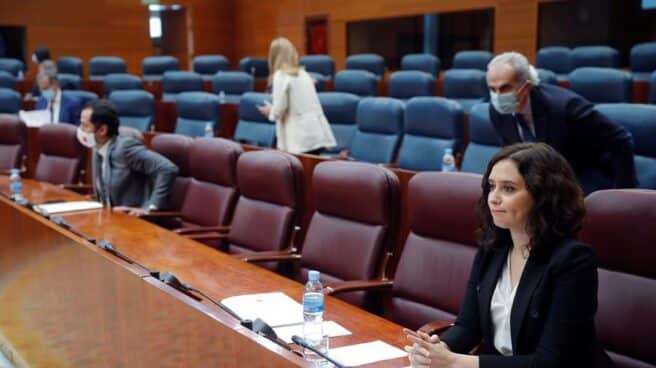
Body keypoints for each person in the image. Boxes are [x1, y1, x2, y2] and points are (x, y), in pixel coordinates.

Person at [405, 143, 613, 368]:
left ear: (543, 195)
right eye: (492, 186)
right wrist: (437, 351)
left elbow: (549, 362)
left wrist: (455, 362)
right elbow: (468, 327)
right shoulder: (492, 248)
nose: (493, 198)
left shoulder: (572, 260)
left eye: (509, 189)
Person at [485, 51, 636, 194]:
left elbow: (621, 140)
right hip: (540, 183)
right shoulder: (497, 110)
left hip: (580, 179)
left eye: (505, 88)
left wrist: (623, 194)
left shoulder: (566, 107)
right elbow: (511, 152)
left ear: (526, 87)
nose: (497, 96)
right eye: (492, 89)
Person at [77, 99, 179, 216]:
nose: (80, 130)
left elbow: (168, 169)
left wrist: (150, 207)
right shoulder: (96, 147)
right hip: (110, 219)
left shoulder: (125, 148)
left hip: (134, 222)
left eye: (85, 125)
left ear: (102, 130)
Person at [257, 37, 336, 155]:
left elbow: (279, 110)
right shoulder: (304, 74)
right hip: (315, 135)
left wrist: (269, 111)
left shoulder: (281, 75)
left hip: (299, 139)